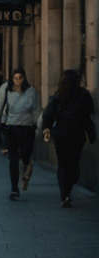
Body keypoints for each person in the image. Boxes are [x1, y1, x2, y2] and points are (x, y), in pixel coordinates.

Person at [40, 68, 97, 209]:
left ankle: (64, 194)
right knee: (72, 165)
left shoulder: (59, 95)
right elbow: (87, 118)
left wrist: (46, 133)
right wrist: (91, 135)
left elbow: (47, 116)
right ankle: (66, 192)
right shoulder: (82, 95)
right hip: (75, 136)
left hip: (62, 135)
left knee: (63, 165)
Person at [0, 67, 38, 200]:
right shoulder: (5, 89)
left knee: (25, 155)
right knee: (13, 158)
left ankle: (26, 168)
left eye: (20, 78)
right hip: (10, 126)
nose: (18, 81)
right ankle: (14, 188)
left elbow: (35, 109)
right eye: (15, 78)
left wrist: (38, 125)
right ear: (12, 79)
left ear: (24, 78)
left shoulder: (31, 91)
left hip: (27, 126)